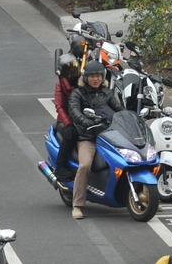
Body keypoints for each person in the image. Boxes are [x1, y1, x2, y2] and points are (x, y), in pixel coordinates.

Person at [68, 58, 123, 220]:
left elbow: (119, 109)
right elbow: (74, 111)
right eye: (92, 76)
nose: (95, 79)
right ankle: (77, 204)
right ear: (85, 77)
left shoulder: (107, 93)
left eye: (98, 76)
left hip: (109, 136)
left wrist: (130, 117)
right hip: (88, 137)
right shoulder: (77, 93)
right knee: (85, 165)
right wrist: (85, 121)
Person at [53, 53, 80, 185]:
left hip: (79, 118)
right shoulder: (60, 86)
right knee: (71, 134)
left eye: (74, 67)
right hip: (65, 121)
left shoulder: (81, 82)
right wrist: (68, 123)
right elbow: (59, 106)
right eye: (70, 68)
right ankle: (60, 166)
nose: (73, 71)